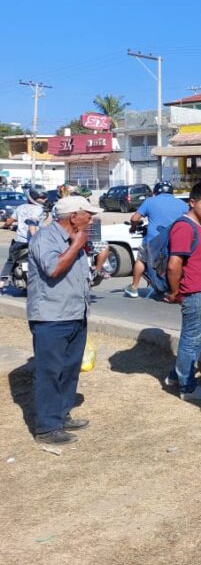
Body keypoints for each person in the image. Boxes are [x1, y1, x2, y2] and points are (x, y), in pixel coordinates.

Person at [26, 196, 102, 444]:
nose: (91, 219)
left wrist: (98, 266)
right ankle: (47, 427)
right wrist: (77, 246)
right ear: (73, 217)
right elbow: (53, 269)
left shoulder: (77, 241)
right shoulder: (45, 238)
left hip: (75, 314)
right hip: (51, 318)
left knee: (69, 370)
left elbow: (83, 277)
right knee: (50, 372)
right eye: (87, 215)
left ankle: (61, 415)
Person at [163, 181, 201, 402]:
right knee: (191, 339)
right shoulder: (184, 227)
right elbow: (173, 264)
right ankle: (187, 387)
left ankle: (176, 375)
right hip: (195, 293)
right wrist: (175, 291)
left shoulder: (200, 225)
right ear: (192, 202)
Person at [123, 181, 187, 298]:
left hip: (153, 240)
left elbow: (134, 218)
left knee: (141, 259)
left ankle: (134, 287)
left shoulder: (150, 201)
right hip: (174, 240)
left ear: (155, 191)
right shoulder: (182, 204)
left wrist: (133, 228)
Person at [1, 187, 47, 289]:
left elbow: (9, 222)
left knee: (10, 261)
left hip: (19, 242)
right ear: (35, 198)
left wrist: (5, 226)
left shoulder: (20, 207)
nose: (45, 199)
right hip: (35, 240)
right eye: (42, 197)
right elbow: (32, 226)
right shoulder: (39, 209)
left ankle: (1, 283)